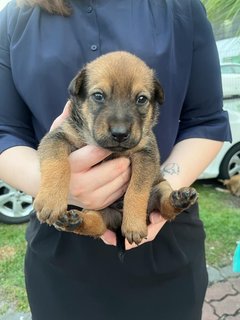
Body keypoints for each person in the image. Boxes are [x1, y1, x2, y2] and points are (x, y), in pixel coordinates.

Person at [0, 0, 231, 319]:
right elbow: (4, 130)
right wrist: (57, 186)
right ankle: (89, 222)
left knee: (162, 191)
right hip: (61, 242)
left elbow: (206, 121)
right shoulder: (14, 18)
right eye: (98, 96)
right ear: (78, 93)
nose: (120, 124)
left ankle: (166, 200)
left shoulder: (180, 7)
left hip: (165, 243)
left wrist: (153, 201)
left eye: (140, 100)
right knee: (92, 219)